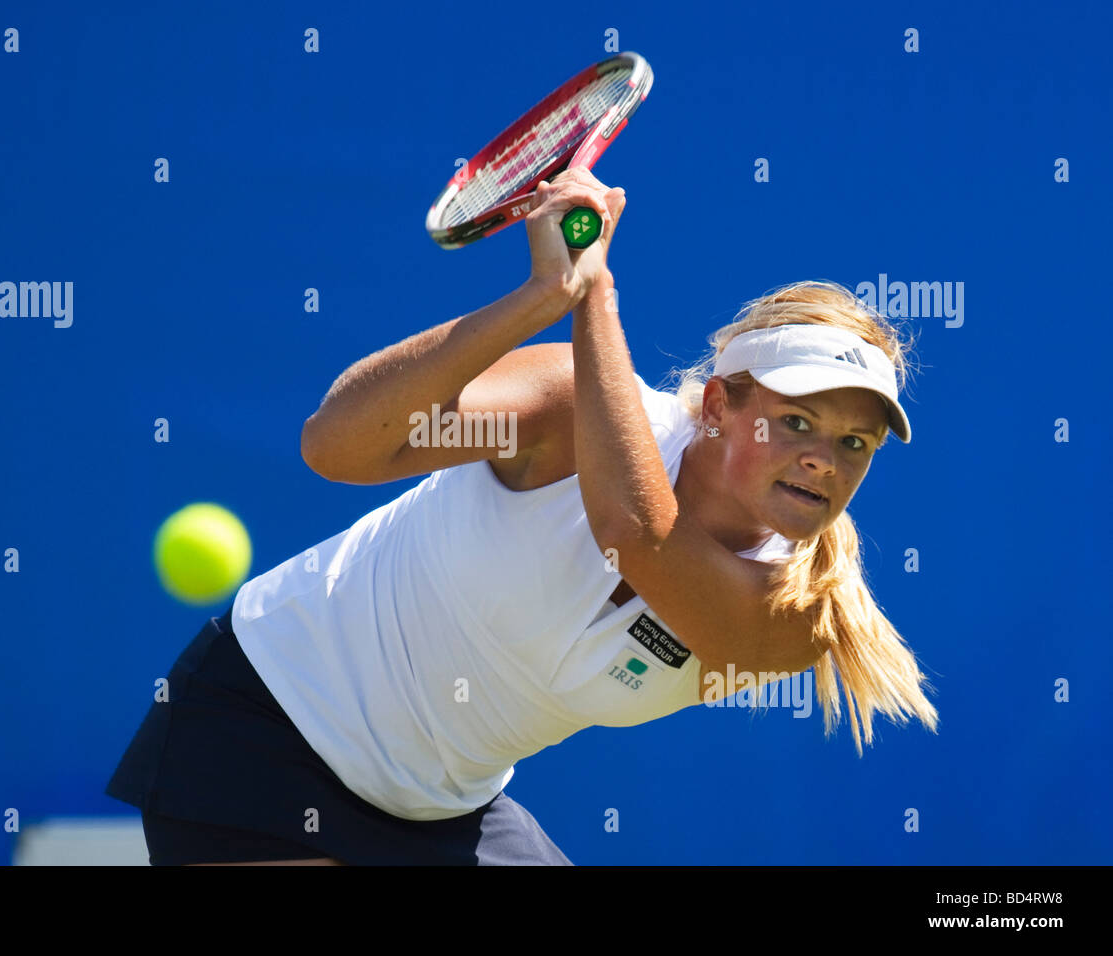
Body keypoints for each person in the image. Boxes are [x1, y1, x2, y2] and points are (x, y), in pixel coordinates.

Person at [105, 168, 939, 865]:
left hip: (445, 814)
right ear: (718, 404)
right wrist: (541, 296)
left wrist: (594, 295)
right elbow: (336, 446)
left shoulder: (798, 618)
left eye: (856, 442)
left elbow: (637, 536)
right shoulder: (565, 408)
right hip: (263, 726)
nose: (824, 459)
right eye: (795, 422)